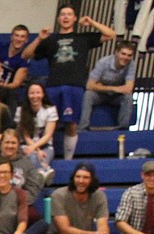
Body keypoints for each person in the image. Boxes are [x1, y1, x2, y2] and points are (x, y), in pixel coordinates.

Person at [32, 6, 115, 160]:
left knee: (72, 124)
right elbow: (27, 55)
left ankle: (68, 160)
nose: (65, 17)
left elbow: (110, 34)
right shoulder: (50, 40)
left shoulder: (82, 38)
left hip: (74, 86)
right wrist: (39, 38)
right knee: (48, 123)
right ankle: (42, 158)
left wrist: (91, 22)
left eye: (69, 14)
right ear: (58, 18)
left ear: (75, 18)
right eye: (62, 14)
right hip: (53, 86)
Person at [79, 40, 136, 132]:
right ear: (116, 53)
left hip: (116, 97)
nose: (126, 57)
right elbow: (89, 85)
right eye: (123, 54)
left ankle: (123, 128)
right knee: (88, 94)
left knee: (128, 97)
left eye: (129, 55)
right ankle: (82, 127)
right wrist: (115, 88)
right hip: (100, 94)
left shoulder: (131, 64)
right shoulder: (103, 62)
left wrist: (114, 89)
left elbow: (128, 88)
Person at [0, 129, 45, 200]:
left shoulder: (28, 164)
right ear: (1, 144)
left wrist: (14, 201)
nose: (10, 146)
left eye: (13, 143)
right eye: (7, 142)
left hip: (20, 205)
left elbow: (32, 190)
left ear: (18, 145)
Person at [14, 82, 56, 176]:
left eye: (38, 93)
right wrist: (36, 150)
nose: (35, 96)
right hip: (26, 145)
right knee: (32, 157)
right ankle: (44, 171)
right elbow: (25, 136)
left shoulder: (51, 110)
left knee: (43, 157)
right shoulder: (20, 111)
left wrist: (35, 148)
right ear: (27, 95)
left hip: (45, 146)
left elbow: (48, 135)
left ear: (43, 94)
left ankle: (42, 171)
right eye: (32, 93)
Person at [0, 25, 39, 112]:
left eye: (22, 37)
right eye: (16, 35)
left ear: (26, 40)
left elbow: (16, 83)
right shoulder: (0, 48)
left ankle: (10, 124)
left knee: (11, 94)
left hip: (9, 89)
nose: (19, 39)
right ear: (11, 37)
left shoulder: (24, 58)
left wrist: (5, 85)